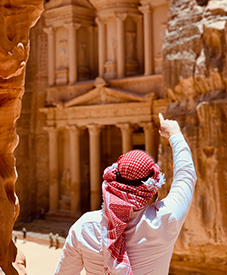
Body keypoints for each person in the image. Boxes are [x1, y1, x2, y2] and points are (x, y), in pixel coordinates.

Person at [54, 113, 197, 275]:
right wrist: (175, 134)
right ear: (150, 189)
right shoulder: (165, 220)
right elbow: (186, 176)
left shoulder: (84, 227)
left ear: (112, 184)